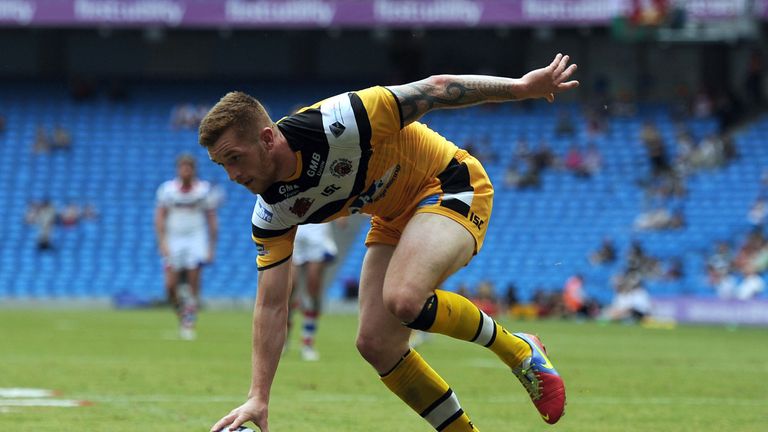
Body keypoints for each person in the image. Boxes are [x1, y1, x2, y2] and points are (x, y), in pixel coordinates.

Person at [203, 53, 579, 432]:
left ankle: (519, 350)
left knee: (403, 299)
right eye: (223, 166)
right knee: (375, 343)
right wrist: (258, 396)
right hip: (394, 216)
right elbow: (270, 305)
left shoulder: (340, 121)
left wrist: (520, 88)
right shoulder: (271, 211)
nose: (233, 175)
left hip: (448, 182)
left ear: (267, 138)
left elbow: (435, 89)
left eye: (236, 158)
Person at [154, 154, 219, 340]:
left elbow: (212, 220)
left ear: (194, 170)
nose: (186, 171)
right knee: (170, 286)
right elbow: (159, 217)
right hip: (173, 238)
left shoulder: (204, 191)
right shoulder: (167, 191)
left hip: (196, 238)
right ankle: (183, 314)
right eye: (182, 167)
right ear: (178, 170)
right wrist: (162, 242)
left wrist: (211, 248)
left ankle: (189, 321)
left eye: (189, 167)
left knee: (193, 282)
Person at [287, 222, 339, 361]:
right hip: (296, 232)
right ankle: (284, 337)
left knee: (313, 289)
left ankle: (307, 342)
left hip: (318, 233)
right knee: (290, 288)